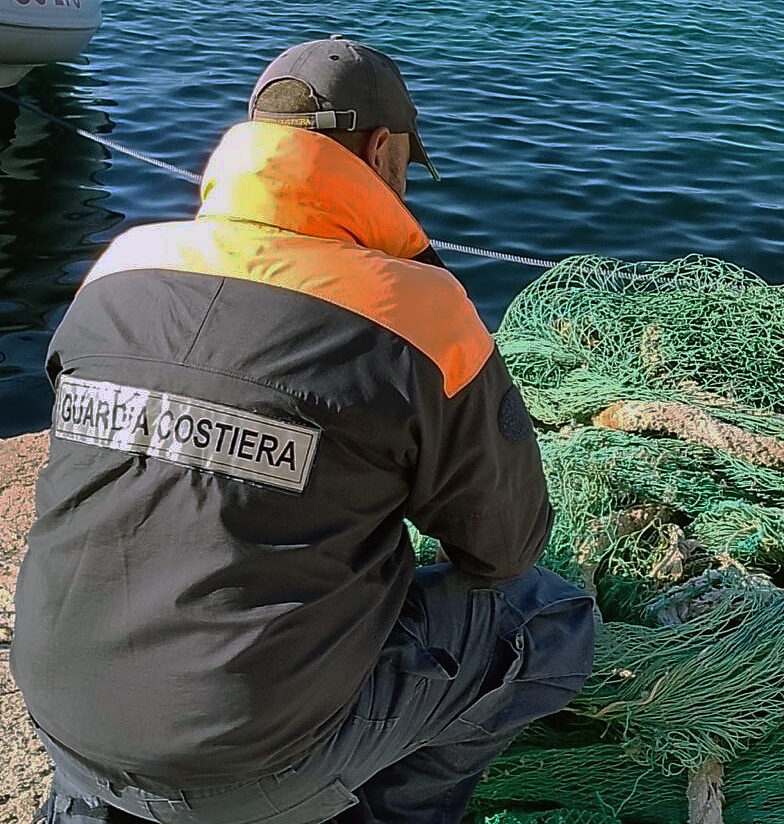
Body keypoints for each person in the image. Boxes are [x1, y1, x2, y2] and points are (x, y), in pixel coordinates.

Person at [12, 36, 595, 824]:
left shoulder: (118, 266)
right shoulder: (417, 313)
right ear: (383, 151)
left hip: (61, 723)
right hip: (249, 764)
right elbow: (503, 548)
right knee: (545, 618)